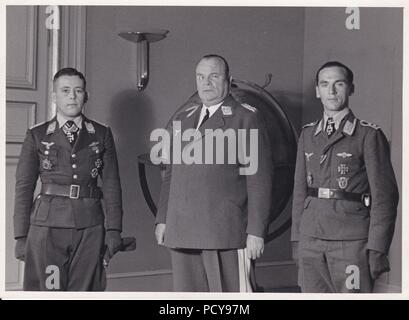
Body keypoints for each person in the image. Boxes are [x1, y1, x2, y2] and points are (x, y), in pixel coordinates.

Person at [154, 55, 274, 292]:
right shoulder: (183, 118)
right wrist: (163, 218)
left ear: (228, 81)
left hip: (225, 231)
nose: (206, 83)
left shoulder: (246, 117)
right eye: (200, 77)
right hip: (182, 229)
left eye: (213, 76)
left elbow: (259, 178)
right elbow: (172, 174)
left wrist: (256, 232)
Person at [291, 61, 399, 293]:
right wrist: (296, 240)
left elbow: (385, 197)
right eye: (325, 84)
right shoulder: (308, 134)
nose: (331, 91)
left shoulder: (368, 135)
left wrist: (377, 248)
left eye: (338, 84)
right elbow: (300, 192)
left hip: (351, 241)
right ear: (317, 91)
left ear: (351, 88)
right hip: (311, 239)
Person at [13, 67, 125, 291]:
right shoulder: (37, 134)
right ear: (54, 97)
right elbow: (24, 188)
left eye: (78, 90)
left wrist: (114, 230)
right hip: (47, 227)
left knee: (85, 291)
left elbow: (112, 184)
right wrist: (21, 235)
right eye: (65, 91)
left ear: (86, 96)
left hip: (90, 225)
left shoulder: (101, 134)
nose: (72, 96)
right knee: (49, 290)